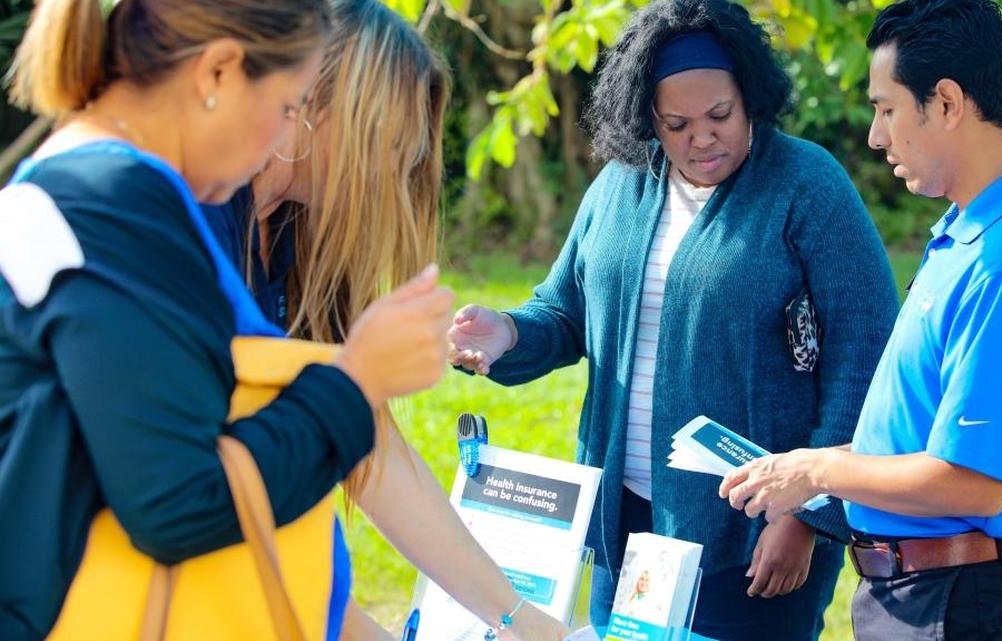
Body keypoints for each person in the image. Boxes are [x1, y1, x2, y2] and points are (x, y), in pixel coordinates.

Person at [0, 1, 457, 640]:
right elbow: (178, 504)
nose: (280, 141)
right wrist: (356, 383)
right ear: (218, 73)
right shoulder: (115, 202)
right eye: (289, 105)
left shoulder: (82, 183)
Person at [447, 1, 899, 639]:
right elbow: (564, 312)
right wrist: (507, 334)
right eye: (677, 123)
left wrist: (809, 515)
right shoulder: (618, 187)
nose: (702, 137)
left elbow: (865, 358)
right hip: (625, 524)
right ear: (646, 119)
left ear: (750, 96)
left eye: (720, 115)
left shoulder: (806, 185)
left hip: (752, 533)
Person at [719, 1, 1002, 640]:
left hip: (961, 602)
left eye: (886, 108)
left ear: (946, 103)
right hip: (926, 594)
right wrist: (810, 461)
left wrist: (816, 471)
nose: (875, 135)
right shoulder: (972, 228)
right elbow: (923, 434)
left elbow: (971, 482)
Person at [200, 3, 568, 641]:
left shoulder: (293, 233)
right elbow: (214, 499)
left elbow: (367, 446)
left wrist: (521, 619)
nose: (395, 180)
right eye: (391, 148)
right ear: (318, 108)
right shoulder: (200, 223)